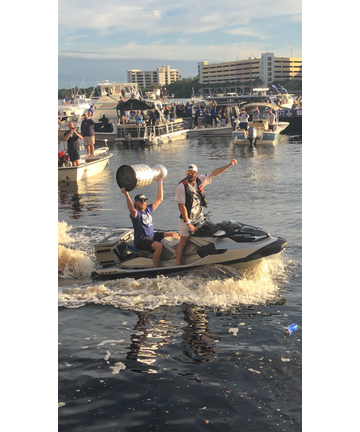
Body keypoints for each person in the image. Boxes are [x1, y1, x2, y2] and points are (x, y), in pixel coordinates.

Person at [174, 159, 237, 266]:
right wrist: (188, 223)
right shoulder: (181, 187)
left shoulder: (200, 180)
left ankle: (211, 257)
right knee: (183, 242)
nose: (190, 175)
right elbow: (181, 206)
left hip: (198, 216)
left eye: (192, 173)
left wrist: (228, 165)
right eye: (188, 173)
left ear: (196, 174)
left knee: (210, 232)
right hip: (187, 218)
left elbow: (214, 173)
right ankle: (178, 265)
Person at [121, 181, 180, 268]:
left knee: (174, 234)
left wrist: (160, 182)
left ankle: (179, 255)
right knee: (158, 246)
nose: (143, 202)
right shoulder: (136, 214)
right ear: (136, 203)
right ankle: (155, 267)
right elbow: (131, 209)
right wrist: (126, 194)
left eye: (144, 200)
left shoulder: (147, 210)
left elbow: (159, 199)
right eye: (140, 201)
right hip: (141, 241)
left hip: (151, 236)